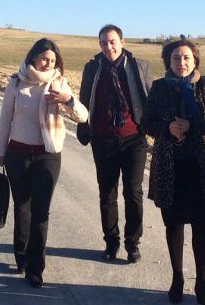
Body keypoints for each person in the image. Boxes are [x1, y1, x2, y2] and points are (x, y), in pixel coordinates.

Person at [0, 38, 88, 288]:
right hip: (18, 154)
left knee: (41, 211)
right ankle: (22, 255)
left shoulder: (59, 84)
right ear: (33, 57)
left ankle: (36, 268)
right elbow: (5, 121)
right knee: (22, 207)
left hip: (48, 154)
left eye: (53, 60)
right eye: (44, 58)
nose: (48, 63)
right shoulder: (16, 82)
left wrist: (67, 100)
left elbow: (83, 116)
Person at [141, 39, 205, 305]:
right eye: (176, 58)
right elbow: (146, 122)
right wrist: (167, 128)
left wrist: (190, 125)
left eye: (187, 57)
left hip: (200, 169)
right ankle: (177, 278)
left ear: (195, 60)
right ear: (169, 62)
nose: (182, 63)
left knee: (202, 228)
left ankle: (202, 285)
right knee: (173, 224)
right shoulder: (159, 88)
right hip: (169, 167)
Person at [77, 24, 153, 263]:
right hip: (103, 140)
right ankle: (111, 243)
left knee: (133, 192)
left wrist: (152, 127)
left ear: (122, 41)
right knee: (107, 194)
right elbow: (84, 99)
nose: (108, 47)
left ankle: (133, 243)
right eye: (103, 43)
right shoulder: (92, 68)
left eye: (112, 41)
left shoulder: (139, 66)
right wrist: (82, 125)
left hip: (133, 139)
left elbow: (150, 98)